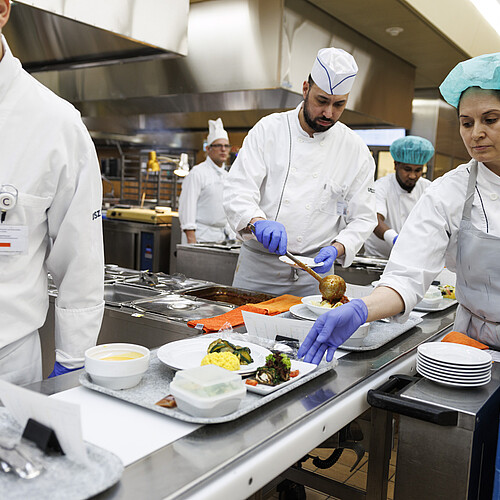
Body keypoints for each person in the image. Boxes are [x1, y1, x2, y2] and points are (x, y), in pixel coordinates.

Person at [298, 51, 500, 364]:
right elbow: (406, 276)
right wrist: (362, 309)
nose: (476, 134)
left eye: (490, 119)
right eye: (466, 123)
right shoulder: (449, 191)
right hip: (477, 348)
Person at [0, 0, 104, 384]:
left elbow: (80, 260)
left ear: (2, 10)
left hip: (7, 364)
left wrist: (74, 360)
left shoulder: (56, 124)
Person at [223, 47, 377, 296]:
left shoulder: (355, 149)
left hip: (315, 276)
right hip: (259, 271)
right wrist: (256, 221)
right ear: (305, 89)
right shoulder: (269, 130)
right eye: (321, 101)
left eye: (339, 104)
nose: (329, 113)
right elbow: (238, 189)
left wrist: (338, 247)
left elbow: (364, 217)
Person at [363, 136, 434, 258]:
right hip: (378, 258)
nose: (412, 176)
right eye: (407, 169)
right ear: (396, 165)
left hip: (411, 258)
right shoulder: (381, 187)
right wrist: (395, 239)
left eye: (418, 170)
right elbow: (375, 220)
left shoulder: (428, 188)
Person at [178, 118, 234, 244]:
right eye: (218, 145)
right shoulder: (197, 173)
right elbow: (187, 207)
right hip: (200, 237)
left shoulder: (227, 176)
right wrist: (191, 240)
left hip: (221, 238)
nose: (223, 149)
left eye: (226, 146)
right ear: (208, 149)